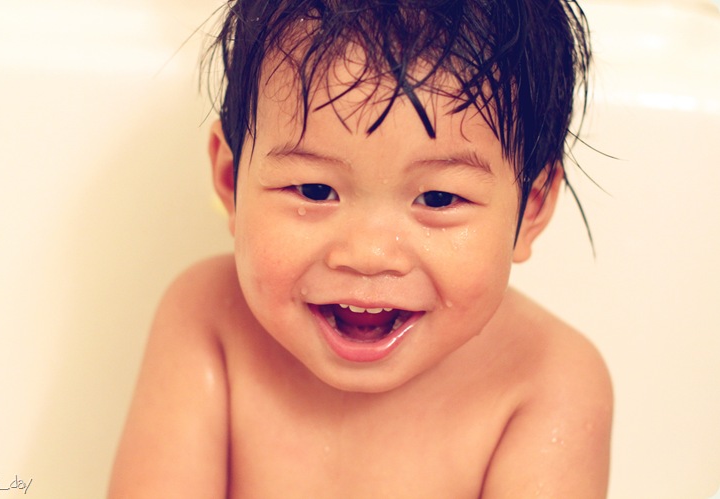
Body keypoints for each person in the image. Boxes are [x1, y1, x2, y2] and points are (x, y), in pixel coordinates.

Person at [109, 1, 613, 497]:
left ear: (531, 208)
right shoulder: (208, 320)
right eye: (314, 191)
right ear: (229, 180)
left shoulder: (547, 383)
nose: (368, 254)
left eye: (438, 199)